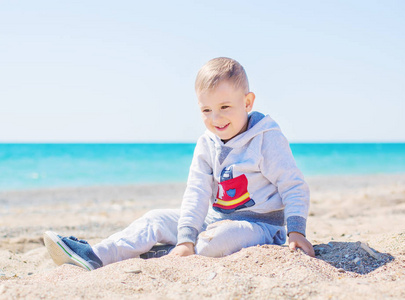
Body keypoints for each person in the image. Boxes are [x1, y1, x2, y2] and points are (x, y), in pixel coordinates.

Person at [43, 57, 314, 271]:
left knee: (217, 242)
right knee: (155, 219)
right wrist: (185, 237)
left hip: (261, 227)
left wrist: (296, 231)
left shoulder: (267, 139)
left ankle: (177, 252)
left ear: (247, 102)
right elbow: (196, 191)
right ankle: (96, 255)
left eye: (225, 107)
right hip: (215, 219)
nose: (216, 118)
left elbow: (293, 185)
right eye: (206, 110)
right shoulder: (207, 144)